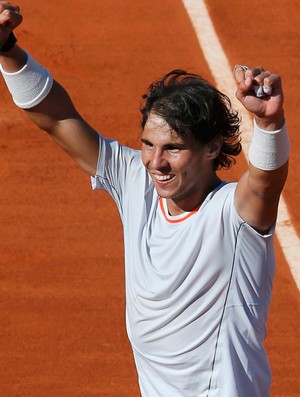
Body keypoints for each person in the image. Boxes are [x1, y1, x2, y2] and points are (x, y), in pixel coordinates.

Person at [0, 2, 290, 397]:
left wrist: (270, 124)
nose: (156, 162)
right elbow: (57, 118)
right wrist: (8, 49)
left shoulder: (233, 215)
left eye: (173, 148)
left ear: (212, 147)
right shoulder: (135, 180)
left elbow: (265, 182)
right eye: (148, 145)